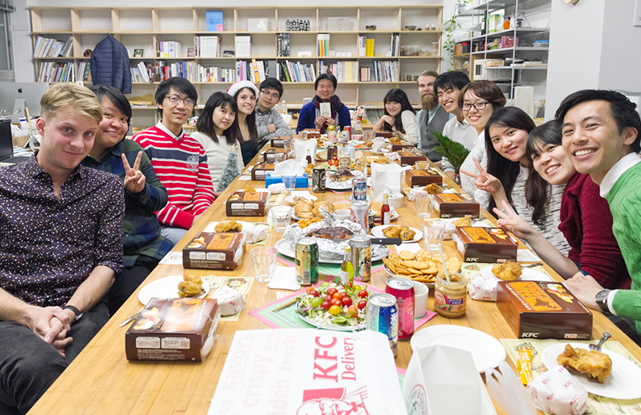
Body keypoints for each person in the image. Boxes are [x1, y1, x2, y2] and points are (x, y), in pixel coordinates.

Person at [0, 83, 124, 415]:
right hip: (10, 314)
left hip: (81, 308)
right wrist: (32, 315)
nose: (78, 144)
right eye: (67, 130)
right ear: (41, 126)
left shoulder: (106, 187)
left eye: (88, 134)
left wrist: (67, 313)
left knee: (102, 362)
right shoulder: (3, 186)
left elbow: (108, 263)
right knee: (37, 366)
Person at [492, 120, 630, 291]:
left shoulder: (591, 185)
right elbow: (578, 268)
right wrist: (530, 234)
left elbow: (596, 278)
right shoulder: (574, 190)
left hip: (622, 305)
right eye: (536, 156)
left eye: (550, 148)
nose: (544, 160)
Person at [554, 89, 641, 341]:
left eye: (591, 126)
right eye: (568, 131)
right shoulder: (617, 187)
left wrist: (603, 296)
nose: (577, 138)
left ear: (628, 134)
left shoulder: (634, 195)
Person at [82, 85, 173, 314]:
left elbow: (161, 198)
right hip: (117, 258)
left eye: (124, 118)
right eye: (108, 115)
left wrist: (140, 190)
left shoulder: (131, 150)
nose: (118, 124)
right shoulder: (74, 158)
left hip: (152, 246)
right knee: (145, 313)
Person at [462, 107, 570, 255]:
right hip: (530, 257)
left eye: (511, 133)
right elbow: (519, 228)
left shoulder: (554, 170)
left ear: (528, 129)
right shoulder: (512, 174)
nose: (505, 143)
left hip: (563, 266)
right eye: (496, 140)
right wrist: (498, 191)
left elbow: (560, 242)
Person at [133, 77, 215, 245]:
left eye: (188, 101)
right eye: (174, 99)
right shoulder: (142, 142)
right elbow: (145, 197)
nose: (181, 106)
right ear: (160, 103)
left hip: (193, 221)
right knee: (207, 246)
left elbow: (203, 188)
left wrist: (202, 216)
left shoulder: (195, 146)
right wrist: (191, 221)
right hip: (159, 226)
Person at [457, 80, 506, 208]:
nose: (472, 110)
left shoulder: (492, 141)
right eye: (467, 104)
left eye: (480, 104)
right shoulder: (482, 138)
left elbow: (485, 194)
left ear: (496, 105)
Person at [191, 92, 244, 193]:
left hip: (234, 195)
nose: (227, 117)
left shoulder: (234, 141)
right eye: (223, 111)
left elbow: (240, 172)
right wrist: (216, 195)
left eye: (232, 113)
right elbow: (192, 179)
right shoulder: (198, 138)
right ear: (210, 111)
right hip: (209, 197)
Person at [434, 71, 478, 179]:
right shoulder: (449, 126)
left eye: (449, 92)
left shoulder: (479, 125)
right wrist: (454, 181)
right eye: (440, 94)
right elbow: (447, 163)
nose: (444, 98)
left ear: (465, 91)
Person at [415, 70, 451, 164]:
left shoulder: (450, 112)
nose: (426, 89)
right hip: (425, 164)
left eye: (430, 85)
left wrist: (433, 166)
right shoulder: (419, 115)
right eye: (422, 86)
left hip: (445, 167)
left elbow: (455, 153)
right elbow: (420, 146)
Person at [226, 80, 262, 166]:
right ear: (234, 100)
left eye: (252, 98)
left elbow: (255, 155)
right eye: (243, 97)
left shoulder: (251, 124)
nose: (249, 102)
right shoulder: (227, 125)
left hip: (251, 173)